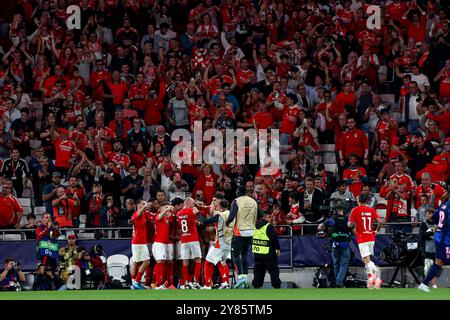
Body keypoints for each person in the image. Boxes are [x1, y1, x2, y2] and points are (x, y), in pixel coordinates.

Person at [226, 182, 259, 289]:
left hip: (240, 231)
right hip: (251, 232)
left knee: (235, 254)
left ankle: (240, 278)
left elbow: (231, 216)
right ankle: (245, 278)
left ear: (237, 193)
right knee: (244, 254)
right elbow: (261, 215)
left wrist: (227, 223)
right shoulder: (253, 201)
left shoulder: (236, 201)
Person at [348, 193, 383, 289]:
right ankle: (371, 282)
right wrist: (377, 230)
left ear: (358, 200)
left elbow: (350, 225)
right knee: (366, 260)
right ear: (367, 201)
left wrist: (350, 224)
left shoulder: (355, 210)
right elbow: (380, 221)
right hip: (371, 237)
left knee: (367, 260)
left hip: (362, 238)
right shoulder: (371, 210)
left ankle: (376, 277)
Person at [199, 196, 233, 289]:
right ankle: (225, 283)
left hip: (219, 243)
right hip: (228, 243)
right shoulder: (231, 214)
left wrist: (197, 213)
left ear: (220, 207)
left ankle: (207, 285)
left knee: (207, 262)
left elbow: (205, 221)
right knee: (222, 262)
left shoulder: (220, 215)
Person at [419, 196, 450, 292]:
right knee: (439, 262)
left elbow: (435, 216)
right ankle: (424, 284)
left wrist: (439, 225)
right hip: (445, 238)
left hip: (440, 237)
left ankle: (424, 284)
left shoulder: (444, 205)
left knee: (439, 262)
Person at [318, 204, 352, 288]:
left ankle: (338, 283)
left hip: (335, 244)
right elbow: (352, 228)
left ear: (335, 211)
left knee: (336, 264)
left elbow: (319, 227)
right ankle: (339, 283)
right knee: (344, 264)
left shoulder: (332, 220)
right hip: (345, 244)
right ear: (343, 211)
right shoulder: (347, 219)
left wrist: (324, 227)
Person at [176, 197, 202, 289]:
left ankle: (186, 283)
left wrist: (196, 223)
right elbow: (200, 219)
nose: (194, 205)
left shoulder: (178, 213)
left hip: (184, 240)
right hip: (193, 239)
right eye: (193, 203)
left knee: (185, 262)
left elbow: (186, 222)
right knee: (198, 260)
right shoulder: (192, 211)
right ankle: (196, 282)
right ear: (189, 203)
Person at [251, 212, 281, 289]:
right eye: (270, 217)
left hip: (257, 254)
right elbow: (274, 239)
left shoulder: (254, 226)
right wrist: (277, 248)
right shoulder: (269, 226)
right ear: (265, 217)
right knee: (274, 272)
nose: (272, 219)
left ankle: (256, 287)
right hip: (269, 254)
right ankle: (276, 287)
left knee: (258, 272)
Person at [130, 200, 152, 290]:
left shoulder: (143, 214)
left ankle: (134, 282)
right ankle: (136, 281)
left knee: (136, 262)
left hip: (139, 242)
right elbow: (138, 214)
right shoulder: (137, 214)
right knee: (146, 262)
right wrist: (145, 206)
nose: (145, 205)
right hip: (138, 242)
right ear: (138, 205)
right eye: (143, 204)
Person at [419, 208, 437, 289]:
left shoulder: (437, 224)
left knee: (435, 267)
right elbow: (422, 235)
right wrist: (432, 231)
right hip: (426, 249)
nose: (428, 215)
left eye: (430, 213)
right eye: (427, 213)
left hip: (436, 249)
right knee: (427, 268)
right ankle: (431, 285)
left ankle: (432, 285)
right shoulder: (423, 224)